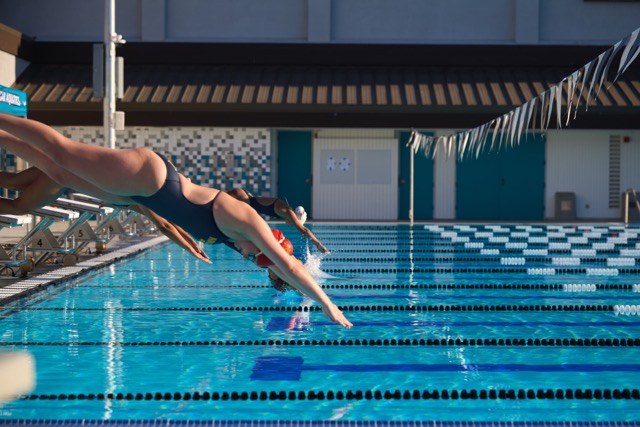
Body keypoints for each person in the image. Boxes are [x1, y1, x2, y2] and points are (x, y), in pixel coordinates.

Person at [0, 113, 351, 328]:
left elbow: (283, 268)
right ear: (269, 239)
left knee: (57, 170)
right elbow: (290, 266)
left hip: (138, 195)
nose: (249, 257)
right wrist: (327, 303)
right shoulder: (245, 219)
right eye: (257, 256)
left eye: (256, 263)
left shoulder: (235, 239)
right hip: (151, 178)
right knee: (61, 152)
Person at [0, 167, 212, 264]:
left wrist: (192, 241)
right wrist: (192, 248)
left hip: (60, 169)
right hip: (61, 178)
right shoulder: (146, 196)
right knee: (19, 207)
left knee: (11, 181)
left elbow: (171, 224)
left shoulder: (148, 186)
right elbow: (165, 227)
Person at [226, 188, 329, 253]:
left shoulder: (285, 210)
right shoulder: (288, 212)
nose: (291, 226)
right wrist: (318, 244)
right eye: (294, 224)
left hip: (244, 198)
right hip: (242, 198)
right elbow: (303, 230)